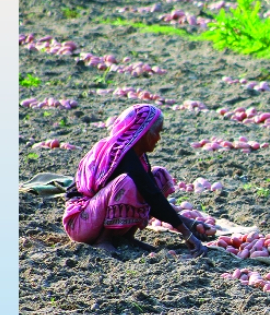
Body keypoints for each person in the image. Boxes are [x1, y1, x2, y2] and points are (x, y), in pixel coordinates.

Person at [62, 104, 210, 255]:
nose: (158, 138)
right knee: (126, 182)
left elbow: (152, 196)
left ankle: (125, 237)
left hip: (96, 217)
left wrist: (189, 224)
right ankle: (103, 240)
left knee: (159, 176)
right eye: (156, 133)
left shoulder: (138, 157)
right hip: (80, 223)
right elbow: (151, 195)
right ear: (143, 133)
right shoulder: (122, 155)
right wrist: (187, 234)